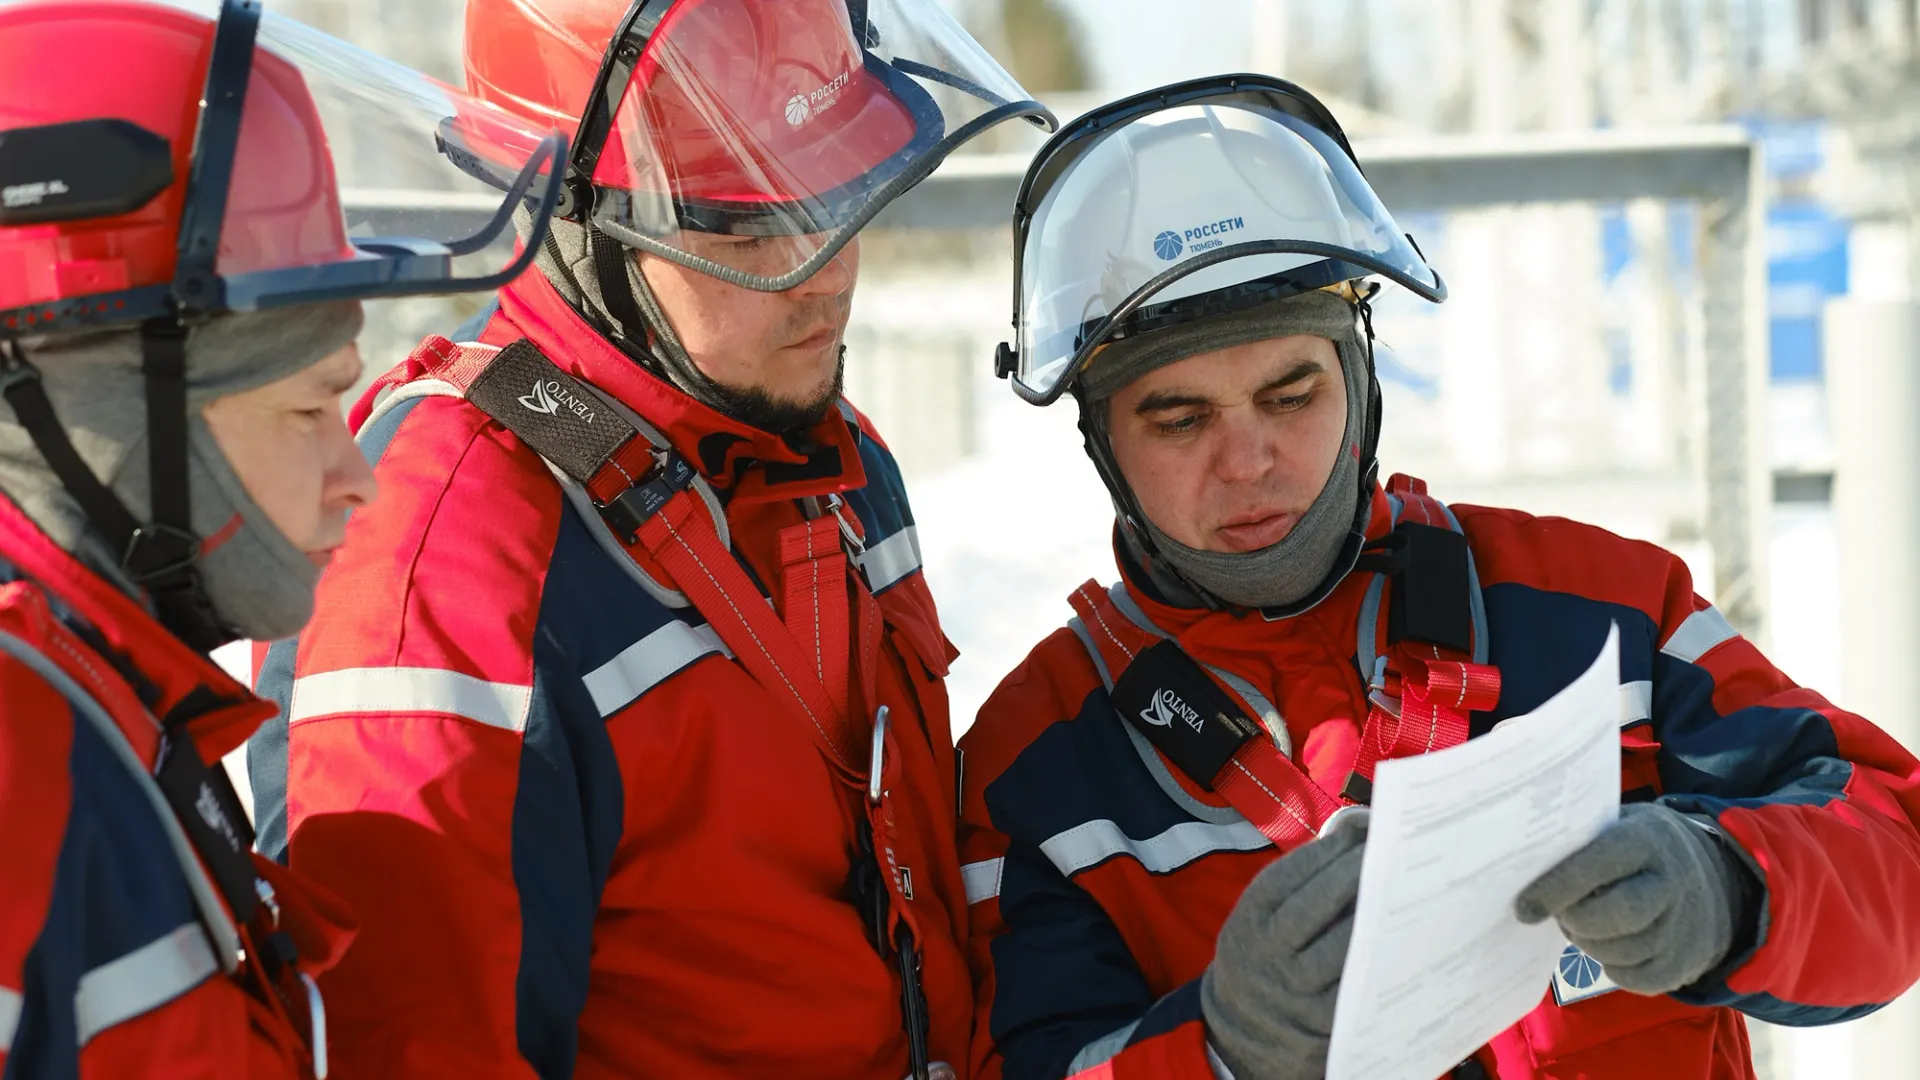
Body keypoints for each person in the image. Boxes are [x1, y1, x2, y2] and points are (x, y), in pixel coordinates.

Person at [958, 75, 1920, 1080]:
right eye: (1180, 419)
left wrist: (1731, 887)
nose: (1248, 464)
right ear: (1101, 438)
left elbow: (1892, 848)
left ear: (1362, 378)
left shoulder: (1606, 610)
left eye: (1293, 393)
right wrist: (1220, 1052)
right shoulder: (1039, 768)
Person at [244, 0, 1054, 1076]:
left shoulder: (824, 452)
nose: (824, 271)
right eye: (748, 224)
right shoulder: (445, 555)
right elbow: (412, 1039)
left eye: (838, 194)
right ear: (575, 217)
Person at [0, 0, 564, 1076]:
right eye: (309, 411)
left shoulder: (117, 716)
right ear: (98, 412)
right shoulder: (13, 742)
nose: (359, 478)